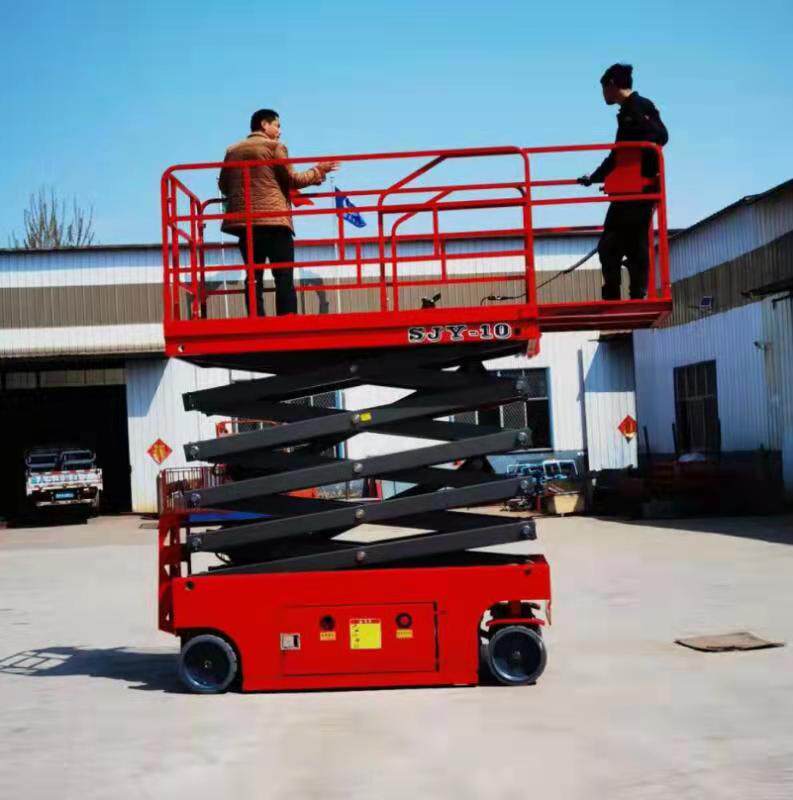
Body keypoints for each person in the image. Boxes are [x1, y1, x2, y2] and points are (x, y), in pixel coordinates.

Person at [219, 109, 339, 316]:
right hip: (275, 222)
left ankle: (256, 318)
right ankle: (286, 318)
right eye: (277, 126)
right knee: (283, 275)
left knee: (253, 276)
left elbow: (223, 185)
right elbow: (293, 179)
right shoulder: (275, 147)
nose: (280, 131)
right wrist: (319, 170)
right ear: (264, 125)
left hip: (244, 224)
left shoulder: (232, 150)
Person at [578, 64, 668, 300]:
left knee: (631, 243)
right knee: (613, 244)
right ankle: (616, 294)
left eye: (603, 89)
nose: (603, 96)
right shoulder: (628, 111)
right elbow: (618, 155)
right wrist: (594, 177)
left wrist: (640, 149)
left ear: (611, 85)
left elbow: (661, 136)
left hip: (640, 189)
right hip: (627, 189)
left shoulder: (638, 107)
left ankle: (634, 294)